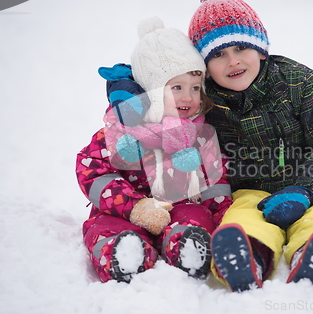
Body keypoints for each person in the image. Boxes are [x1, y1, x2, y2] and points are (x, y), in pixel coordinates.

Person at [188, 0, 313, 292]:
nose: (233, 61)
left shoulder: (296, 81)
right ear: (204, 67)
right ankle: (246, 255)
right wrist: (130, 91)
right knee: (242, 218)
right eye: (219, 55)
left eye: (241, 47)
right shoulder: (206, 101)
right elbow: (165, 99)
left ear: (260, 46)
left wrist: (307, 188)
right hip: (251, 192)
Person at [76, 17, 233, 283]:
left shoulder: (200, 134)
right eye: (177, 87)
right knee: (106, 226)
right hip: (125, 209)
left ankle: (188, 247)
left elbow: (215, 181)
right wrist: (135, 207)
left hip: (180, 205)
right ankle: (123, 252)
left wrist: (224, 220)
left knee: (195, 217)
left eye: (195, 88)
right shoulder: (120, 130)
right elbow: (92, 171)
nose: (188, 97)